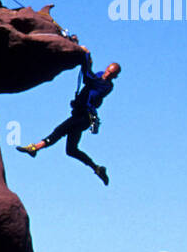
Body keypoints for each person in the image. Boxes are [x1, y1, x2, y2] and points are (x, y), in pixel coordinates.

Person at [17, 47, 120, 185]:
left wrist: (86, 56)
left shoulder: (106, 86)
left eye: (111, 74)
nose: (107, 74)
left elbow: (88, 76)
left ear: (114, 77)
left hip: (84, 117)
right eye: (108, 71)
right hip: (80, 114)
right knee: (71, 150)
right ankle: (97, 168)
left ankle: (35, 148)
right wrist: (87, 59)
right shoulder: (100, 76)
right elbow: (90, 75)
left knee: (59, 131)